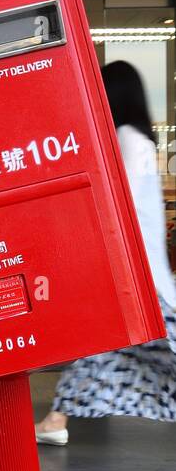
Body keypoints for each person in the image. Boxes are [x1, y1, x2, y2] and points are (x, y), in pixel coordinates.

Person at [36, 59, 176, 445]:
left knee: (104, 347)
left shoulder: (128, 139)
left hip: (136, 271)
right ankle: (55, 419)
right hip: (143, 270)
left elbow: (119, 203)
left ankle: (55, 420)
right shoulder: (136, 138)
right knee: (105, 348)